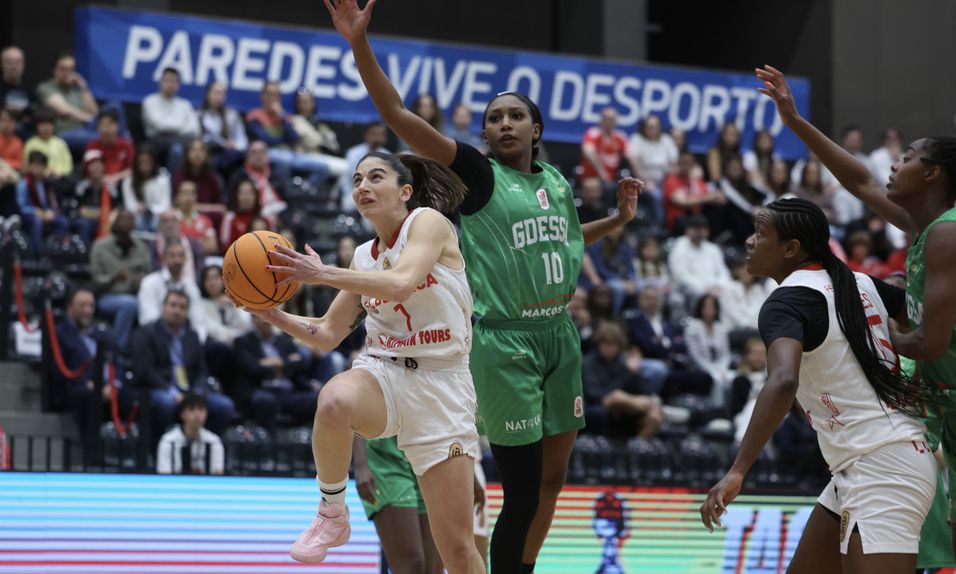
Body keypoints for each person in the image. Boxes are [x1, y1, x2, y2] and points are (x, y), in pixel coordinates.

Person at [323, 3, 640, 572]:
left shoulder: (556, 182)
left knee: (552, 480)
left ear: (536, 129)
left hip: (558, 334)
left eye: (515, 116)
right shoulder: (477, 173)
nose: (503, 124)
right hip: (503, 340)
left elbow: (560, 241)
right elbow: (397, 115)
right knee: (518, 489)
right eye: (494, 118)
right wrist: (359, 44)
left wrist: (614, 223)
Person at [237, 150, 482, 572]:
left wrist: (323, 274)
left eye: (375, 177)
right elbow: (328, 333)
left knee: (456, 550)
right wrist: (270, 314)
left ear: (405, 191)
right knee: (333, 401)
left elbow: (402, 282)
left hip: (443, 384)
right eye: (356, 180)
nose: (362, 186)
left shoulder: (428, 223)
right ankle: (332, 513)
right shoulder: (363, 257)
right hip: (385, 372)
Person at [756, 64, 956, 557]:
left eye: (906, 157)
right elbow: (860, 182)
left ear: (932, 173)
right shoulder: (926, 227)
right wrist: (796, 122)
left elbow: (929, 342)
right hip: (936, 396)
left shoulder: (948, 232)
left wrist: (874, 334)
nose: (892, 164)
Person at [700, 198, 935, 573]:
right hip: (862, 463)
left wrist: (738, 470)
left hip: (882, 465)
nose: (749, 241)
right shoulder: (861, 282)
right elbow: (932, 328)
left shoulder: (786, 302)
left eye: (760, 234)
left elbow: (783, 380)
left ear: (791, 249)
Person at [131, 289, 235, 439]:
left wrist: (197, 393)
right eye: (173, 305)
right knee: (165, 403)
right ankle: (157, 453)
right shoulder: (146, 333)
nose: (177, 311)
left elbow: (201, 371)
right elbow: (144, 371)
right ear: (163, 307)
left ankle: (201, 450)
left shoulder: (191, 336)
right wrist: (173, 393)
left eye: (182, 307)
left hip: (189, 392)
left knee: (224, 406)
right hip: (159, 389)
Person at [352, 435, 441, 574]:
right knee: (411, 566)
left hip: (424, 453)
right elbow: (351, 413)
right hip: (383, 456)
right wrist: (360, 464)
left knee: (431, 568)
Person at [234, 314, 316, 434]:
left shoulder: (285, 341)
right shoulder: (243, 342)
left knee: (317, 399)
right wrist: (286, 364)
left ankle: (311, 447)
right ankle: (270, 449)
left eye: (267, 318)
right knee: (265, 401)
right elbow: (253, 369)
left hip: (289, 392)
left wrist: (277, 362)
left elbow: (302, 364)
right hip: (262, 389)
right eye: (260, 318)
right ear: (253, 319)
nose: (265, 321)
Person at [89, 209, 152, 350]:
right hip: (108, 296)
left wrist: (139, 279)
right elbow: (95, 280)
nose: (124, 237)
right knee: (130, 304)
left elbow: (149, 275)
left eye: (127, 234)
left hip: (135, 293)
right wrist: (113, 278)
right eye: (121, 234)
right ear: (115, 229)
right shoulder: (100, 247)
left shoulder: (141, 248)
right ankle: (118, 348)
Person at [138, 241, 207, 342]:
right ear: (164, 258)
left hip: (184, 340)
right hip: (155, 340)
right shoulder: (149, 283)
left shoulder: (191, 286)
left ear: (186, 259)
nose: (177, 260)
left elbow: (199, 322)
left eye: (181, 255)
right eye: (172, 255)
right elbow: (148, 319)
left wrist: (196, 344)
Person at [35, 52, 98, 151]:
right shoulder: (46, 87)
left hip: (85, 130)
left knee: (114, 107)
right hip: (64, 133)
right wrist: (93, 120)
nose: (67, 73)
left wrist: (84, 88)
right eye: (63, 69)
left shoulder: (77, 91)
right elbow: (65, 110)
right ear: (54, 70)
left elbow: (94, 112)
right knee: (103, 139)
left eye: (71, 69)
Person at [141, 67, 199, 173]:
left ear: (178, 85)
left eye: (174, 82)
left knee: (179, 149)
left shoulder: (185, 105)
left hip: (180, 141)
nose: (170, 85)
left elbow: (194, 129)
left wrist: (174, 129)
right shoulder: (150, 101)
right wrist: (181, 127)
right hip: (156, 141)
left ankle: (174, 182)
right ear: (160, 82)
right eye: (168, 81)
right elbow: (159, 125)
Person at [156, 393, 225, 475]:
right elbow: (163, 475)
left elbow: (218, 475)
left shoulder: (214, 441)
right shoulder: (168, 441)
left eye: (201, 409)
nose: (197, 415)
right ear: (182, 414)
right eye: (192, 409)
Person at [196, 82, 248, 172]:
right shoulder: (198, 115)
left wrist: (235, 145)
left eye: (221, 94)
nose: (218, 97)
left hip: (225, 154)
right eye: (215, 93)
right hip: (205, 150)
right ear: (207, 95)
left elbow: (243, 142)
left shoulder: (232, 116)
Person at [339, 122, 390, 211]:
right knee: (349, 206)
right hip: (354, 192)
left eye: (379, 135)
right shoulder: (353, 153)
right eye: (373, 134)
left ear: (384, 137)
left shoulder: (389, 157)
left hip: (378, 196)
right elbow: (349, 178)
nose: (376, 138)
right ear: (366, 135)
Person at [121, 146, 172, 232]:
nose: (145, 165)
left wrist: (150, 209)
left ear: (153, 162)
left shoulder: (163, 180)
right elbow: (129, 205)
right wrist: (138, 209)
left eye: (148, 162)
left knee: (156, 222)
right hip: (136, 216)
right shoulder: (128, 181)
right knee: (138, 222)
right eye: (142, 162)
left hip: (157, 216)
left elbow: (166, 204)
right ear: (136, 163)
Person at [579, 106, 630, 186]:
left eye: (612, 119)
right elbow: (588, 151)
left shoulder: (621, 137)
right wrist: (602, 172)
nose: (609, 122)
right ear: (601, 120)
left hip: (614, 179)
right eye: (607, 119)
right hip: (592, 177)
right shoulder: (593, 133)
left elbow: (630, 155)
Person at [84, 109, 134, 189]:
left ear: (117, 126)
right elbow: (89, 170)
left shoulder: (126, 146)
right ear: (98, 128)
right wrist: (104, 179)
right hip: (98, 185)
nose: (106, 129)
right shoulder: (92, 146)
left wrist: (116, 177)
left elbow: (132, 170)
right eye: (103, 125)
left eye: (110, 124)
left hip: (121, 184)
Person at [22, 107, 72, 179]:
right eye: (43, 124)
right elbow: (26, 166)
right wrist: (45, 172)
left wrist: (59, 173)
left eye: (49, 124)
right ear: (36, 126)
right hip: (38, 178)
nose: (46, 128)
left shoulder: (60, 143)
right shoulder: (30, 144)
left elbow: (68, 166)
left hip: (59, 179)